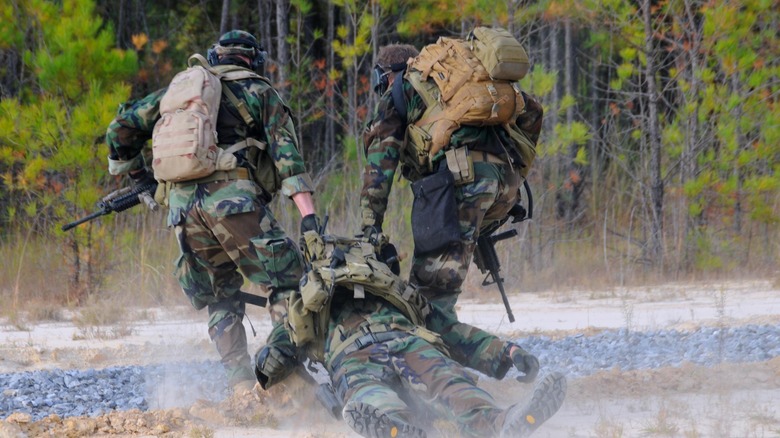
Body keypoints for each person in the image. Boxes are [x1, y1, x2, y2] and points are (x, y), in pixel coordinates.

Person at [105, 30, 320, 391]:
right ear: (253, 60)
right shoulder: (259, 92)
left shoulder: (180, 94)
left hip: (183, 212)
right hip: (234, 202)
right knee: (291, 282)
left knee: (220, 293)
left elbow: (120, 129)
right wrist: (310, 220)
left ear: (215, 57)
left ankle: (238, 384)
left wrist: (141, 178)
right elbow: (289, 166)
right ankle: (278, 377)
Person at [258, 233, 566, 438]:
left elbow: (451, 331)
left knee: (445, 381)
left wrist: (507, 352)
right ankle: (400, 428)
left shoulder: (393, 294)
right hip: (389, 345)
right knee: (377, 395)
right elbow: (271, 363)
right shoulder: (307, 306)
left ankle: (503, 423)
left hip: (367, 351)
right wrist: (270, 358)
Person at [360, 43, 545, 381]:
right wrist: (515, 175)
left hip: (459, 187)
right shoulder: (464, 85)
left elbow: (379, 166)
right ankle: (466, 370)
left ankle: (470, 374)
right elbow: (532, 112)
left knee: (427, 305)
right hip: (503, 186)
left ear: (386, 74)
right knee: (436, 294)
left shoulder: (400, 90)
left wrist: (369, 226)